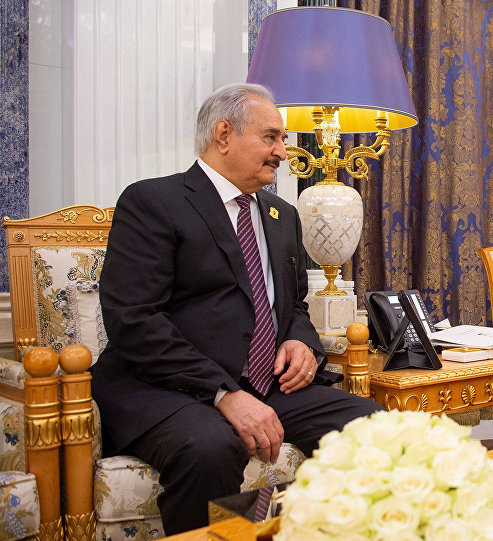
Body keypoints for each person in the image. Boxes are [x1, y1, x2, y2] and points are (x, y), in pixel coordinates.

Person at [91, 83, 382, 534]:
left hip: (266, 384)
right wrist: (223, 393)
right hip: (168, 388)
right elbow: (135, 321)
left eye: (282, 139)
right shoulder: (154, 202)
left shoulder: (282, 215)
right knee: (210, 448)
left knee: (371, 427)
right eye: (271, 137)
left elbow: (294, 306)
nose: (282, 152)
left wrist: (299, 342)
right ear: (224, 134)